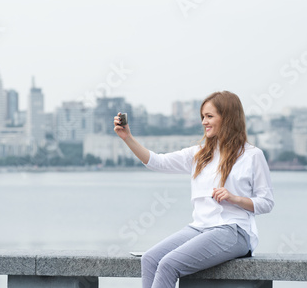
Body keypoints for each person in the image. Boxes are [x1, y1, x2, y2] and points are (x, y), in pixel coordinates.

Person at [113, 91, 274, 288]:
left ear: (228, 118)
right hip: (199, 228)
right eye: (203, 117)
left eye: (209, 116)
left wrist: (235, 198)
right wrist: (127, 137)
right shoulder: (199, 154)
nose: (204, 122)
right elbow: (157, 162)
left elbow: (266, 202)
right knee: (150, 259)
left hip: (234, 231)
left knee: (169, 264)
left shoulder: (252, 156)